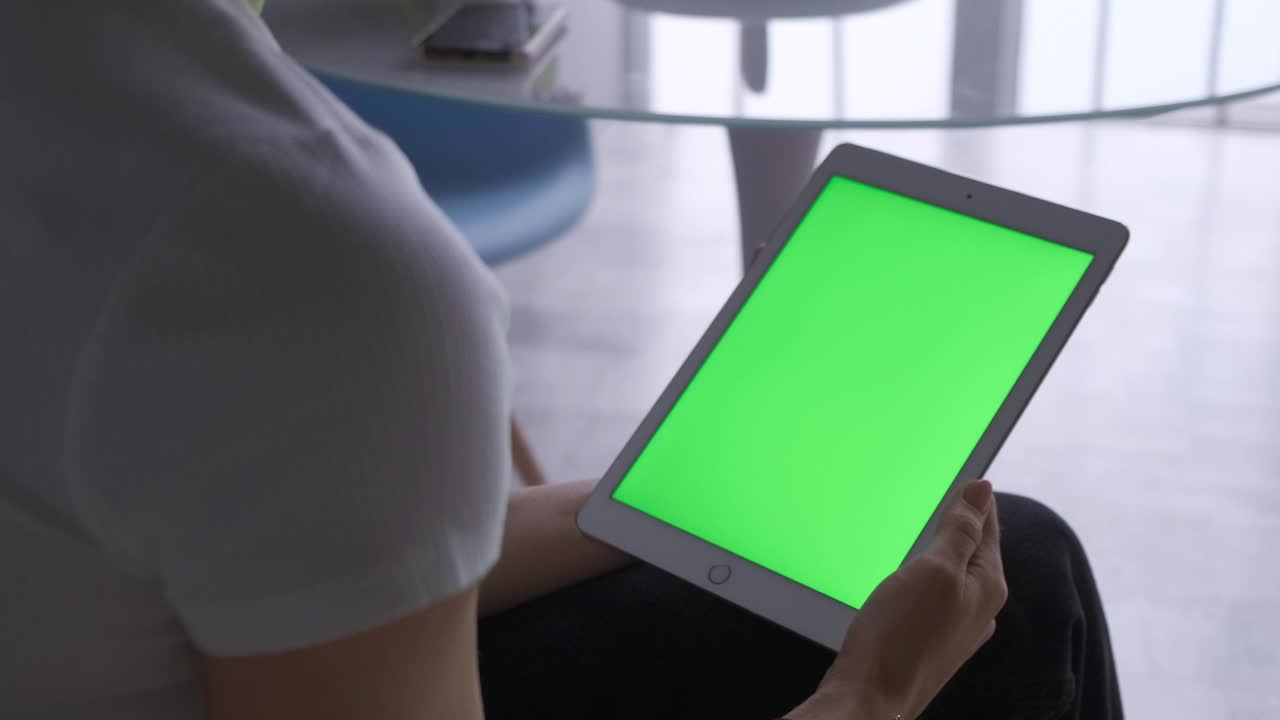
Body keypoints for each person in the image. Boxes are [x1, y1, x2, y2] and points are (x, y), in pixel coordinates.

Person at [0, 1, 1122, 718]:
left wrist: (658, 496)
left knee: (1004, 553)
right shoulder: (296, 249)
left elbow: (247, 532)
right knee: (1001, 603)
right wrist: (874, 692)